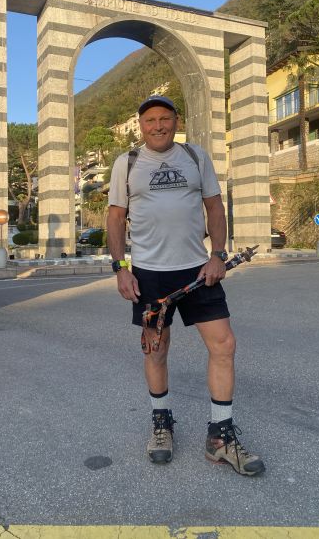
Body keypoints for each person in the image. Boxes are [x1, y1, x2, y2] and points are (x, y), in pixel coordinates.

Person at [107, 95, 264, 476]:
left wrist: (218, 254)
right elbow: (115, 217)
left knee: (225, 344)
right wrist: (120, 267)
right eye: (150, 120)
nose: (158, 126)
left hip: (197, 269)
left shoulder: (195, 157)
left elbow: (214, 206)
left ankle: (220, 437)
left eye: (165, 119)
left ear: (177, 122)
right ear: (140, 125)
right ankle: (161, 424)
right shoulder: (126, 163)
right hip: (148, 273)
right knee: (156, 349)